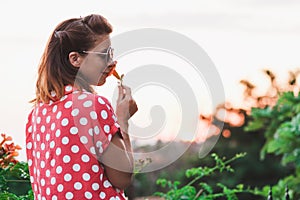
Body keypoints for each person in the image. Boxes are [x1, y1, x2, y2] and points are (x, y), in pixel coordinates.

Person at [25, 14, 138, 200]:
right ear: (75, 59)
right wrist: (123, 122)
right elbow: (122, 178)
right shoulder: (93, 106)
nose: (111, 62)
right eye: (103, 55)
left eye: (111, 53)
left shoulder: (36, 114)